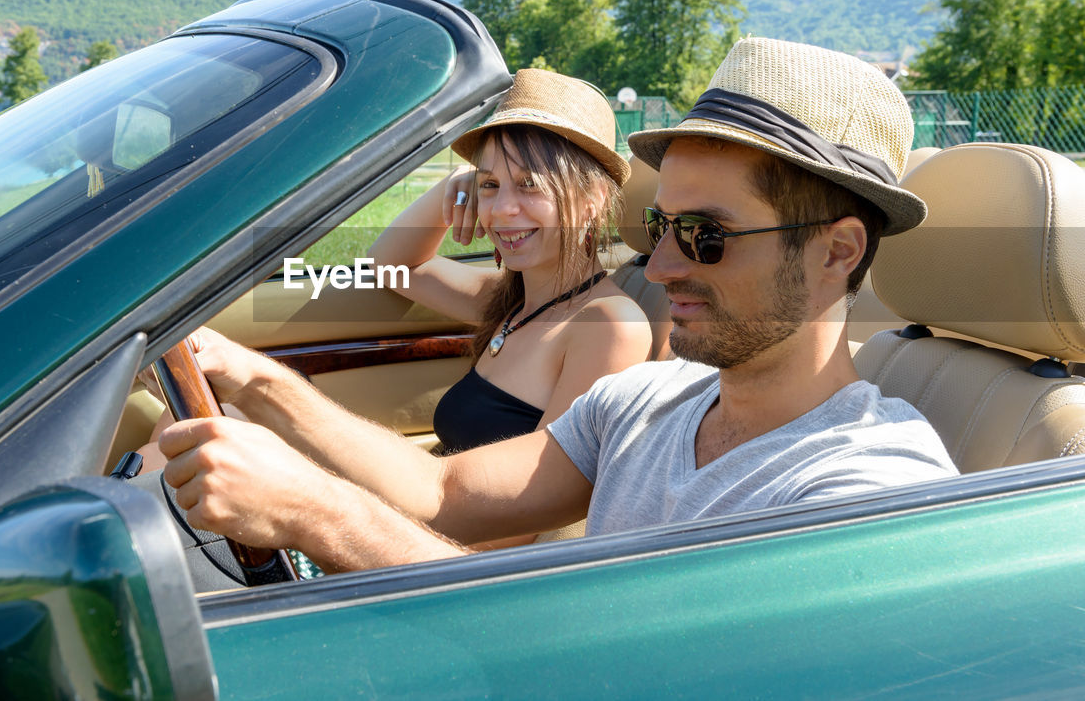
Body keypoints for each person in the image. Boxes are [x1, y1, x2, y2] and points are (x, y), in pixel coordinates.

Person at [157, 37, 959, 574]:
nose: (666, 262)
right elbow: (443, 496)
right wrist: (253, 379)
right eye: (661, 226)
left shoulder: (866, 490)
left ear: (838, 251)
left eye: (707, 236)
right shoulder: (644, 400)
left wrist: (314, 510)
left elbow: (611, 671)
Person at [367, 67, 653, 455]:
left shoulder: (609, 325)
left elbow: (538, 496)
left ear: (594, 199)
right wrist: (451, 187)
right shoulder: (508, 302)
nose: (501, 210)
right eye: (489, 185)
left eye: (529, 184)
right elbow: (387, 265)